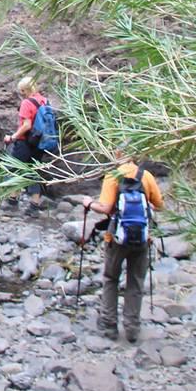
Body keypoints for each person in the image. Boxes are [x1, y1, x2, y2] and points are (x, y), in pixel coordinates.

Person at [82, 145, 165, 342]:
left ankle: (109, 325)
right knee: (135, 281)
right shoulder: (146, 176)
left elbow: (106, 208)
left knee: (111, 278)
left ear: (117, 154)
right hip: (142, 238)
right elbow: (159, 205)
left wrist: (88, 203)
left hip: (117, 236)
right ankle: (132, 328)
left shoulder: (114, 176)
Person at [1, 77, 52, 213]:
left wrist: (12, 137)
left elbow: (27, 125)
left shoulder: (26, 103)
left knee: (15, 169)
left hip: (25, 142)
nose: (20, 93)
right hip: (39, 142)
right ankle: (34, 206)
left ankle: (12, 202)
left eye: (21, 90)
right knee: (33, 171)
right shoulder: (44, 101)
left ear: (24, 90)